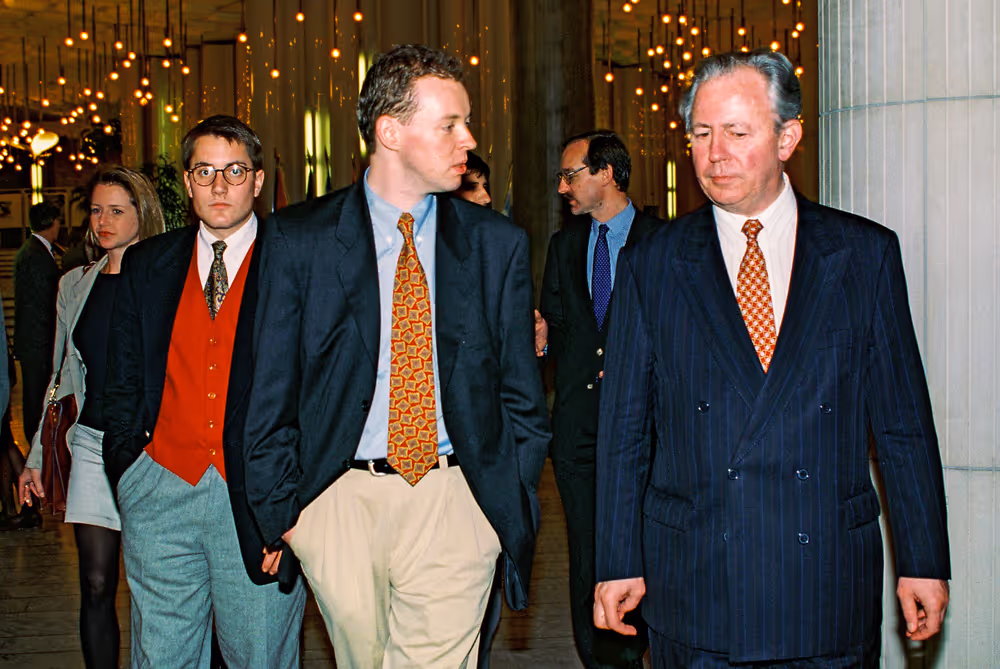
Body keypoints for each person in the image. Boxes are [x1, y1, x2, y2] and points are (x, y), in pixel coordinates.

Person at [592, 49, 951, 668]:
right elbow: (624, 430)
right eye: (701, 133)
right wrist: (616, 558)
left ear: (789, 137)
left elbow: (902, 424)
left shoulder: (863, 256)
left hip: (824, 585)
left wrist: (923, 559)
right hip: (698, 583)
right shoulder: (652, 263)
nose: (714, 153)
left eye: (737, 132)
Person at [243, 44, 551, 668]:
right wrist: (295, 519)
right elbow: (269, 391)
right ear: (390, 131)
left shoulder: (498, 246)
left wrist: (500, 504)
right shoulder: (298, 240)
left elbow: (521, 394)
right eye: (449, 125)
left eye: (466, 122)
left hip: (455, 497)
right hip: (338, 501)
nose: (468, 139)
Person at [101, 115, 307, 668]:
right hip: (160, 486)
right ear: (187, 182)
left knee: (259, 655)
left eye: (235, 171)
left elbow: (318, 395)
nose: (219, 186)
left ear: (258, 181)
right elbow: (119, 378)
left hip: (258, 497)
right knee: (161, 656)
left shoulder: (297, 264)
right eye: (205, 172)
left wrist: (293, 511)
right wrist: (131, 469)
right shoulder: (147, 264)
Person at [17, 166, 165, 667]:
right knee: (96, 581)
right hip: (91, 444)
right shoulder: (74, 285)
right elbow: (62, 378)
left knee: (160, 588)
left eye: (116, 211)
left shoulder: (169, 279)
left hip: (156, 449)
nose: (103, 221)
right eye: (97, 210)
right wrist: (37, 454)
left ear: (142, 214)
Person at [539, 130, 662, 668]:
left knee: (646, 549)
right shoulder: (563, 247)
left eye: (571, 174)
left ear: (606, 173)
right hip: (578, 434)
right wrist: (540, 340)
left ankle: (639, 648)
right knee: (587, 555)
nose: (563, 187)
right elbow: (559, 331)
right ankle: (600, 661)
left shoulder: (665, 241)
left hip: (648, 433)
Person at [14, 201, 62, 448]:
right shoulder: (37, 255)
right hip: (38, 341)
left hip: (34, 340)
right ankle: (37, 448)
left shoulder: (32, 250)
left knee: (36, 397)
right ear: (53, 223)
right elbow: (44, 303)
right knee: (36, 398)